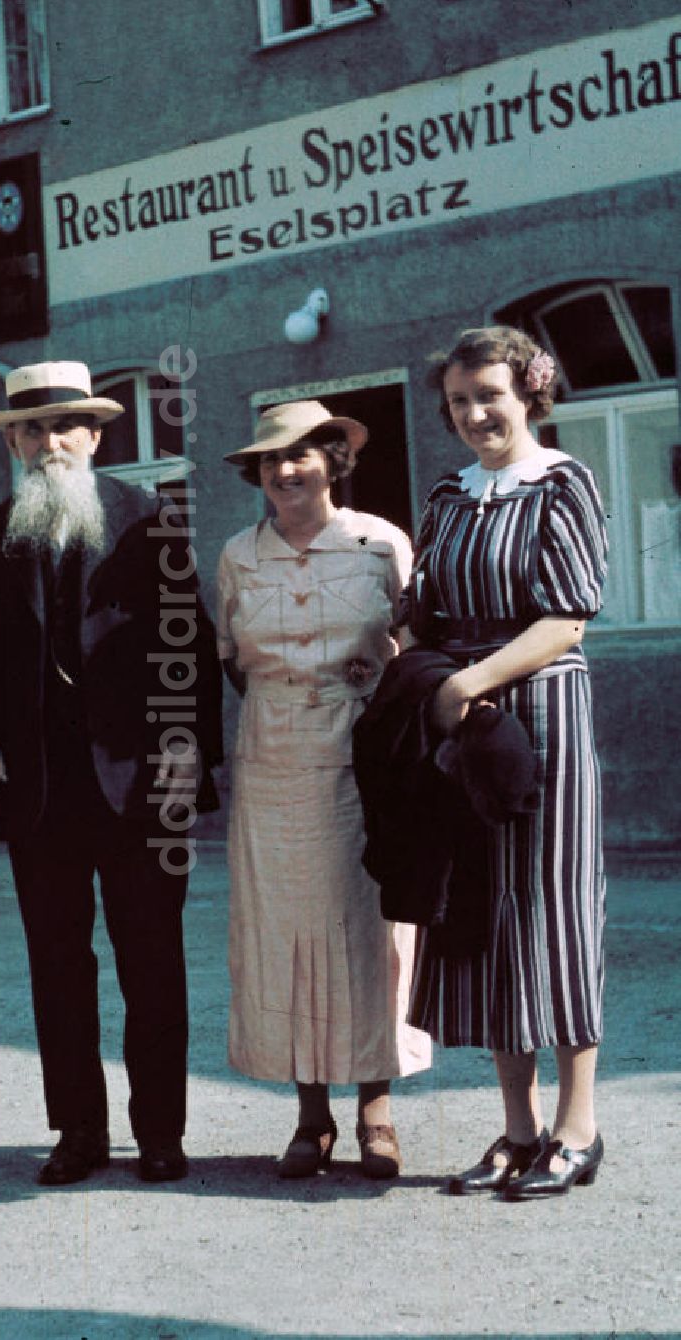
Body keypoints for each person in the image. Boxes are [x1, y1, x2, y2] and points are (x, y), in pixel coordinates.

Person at [0, 361, 222, 1186]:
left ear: (96, 435)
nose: (48, 442)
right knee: (58, 967)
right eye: (31, 429)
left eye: (65, 425)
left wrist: (186, 742)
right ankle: (78, 1131)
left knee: (152, 962)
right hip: (38, 790)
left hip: (136, 785)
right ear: (16, 442)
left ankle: (161, 1132)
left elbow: (191, 648)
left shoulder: (151, 521)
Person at [404, 326, 608, 1200]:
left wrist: (472, 680)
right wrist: (428, 674)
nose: (476, 414)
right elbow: (419, 608)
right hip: (469, 721)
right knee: (485, 916)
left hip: (543, 713)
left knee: (554, 913)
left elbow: (568, 616)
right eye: (459, 401)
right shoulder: (451, 497)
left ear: (529, 390)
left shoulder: (564, 483)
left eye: (490, 394)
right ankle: (518, 1129)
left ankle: (578, 1127)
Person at [216, 400, 432, 1180]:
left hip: (363, 759)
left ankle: (376, 1109)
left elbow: (412, 653)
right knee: (287, 936)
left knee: (369, 928)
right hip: (272, 764)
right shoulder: (239, 554)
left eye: (302, 456)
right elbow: (232, 659)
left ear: (333, 461)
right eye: (271, 461)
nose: (284, 471)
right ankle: (312, 1116)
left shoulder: (381, 545)